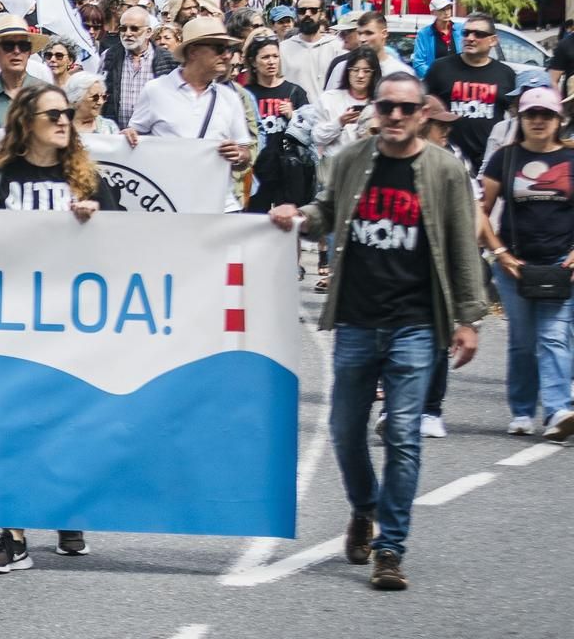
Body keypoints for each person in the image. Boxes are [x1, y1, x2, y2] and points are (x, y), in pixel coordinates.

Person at [267, 72, 484, 592]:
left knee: (404, 436)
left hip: (415, 324)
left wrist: (468, 318)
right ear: (376, 110)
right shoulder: (351, 159)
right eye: (386, 107)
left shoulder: (443, 171)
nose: (394, 116)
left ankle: (391, 547)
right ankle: (364, 507)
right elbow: (326, 211)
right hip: (357, 320)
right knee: (344, 430)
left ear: (422, 115)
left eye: (405, 109)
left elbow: (460, 241)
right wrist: (297, 217)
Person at [0, 84, 112, 574]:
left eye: (67, 113)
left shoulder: (86, 177)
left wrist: (98, 220)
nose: (64, 120)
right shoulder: (1, 177)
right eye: (52, 114)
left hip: (72, 324)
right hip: (14, 322)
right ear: (25, 122)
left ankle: (64, 510)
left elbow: (128, 246)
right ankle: (12, 537)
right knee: (9, 424)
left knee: (63, 422)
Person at [479, 88, 574, 442]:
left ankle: (558, 410)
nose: (538, 121)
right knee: (522, 341)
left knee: (553, 337)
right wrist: (500, 253)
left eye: (546, 115)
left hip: (560, 264)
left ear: (558, 121)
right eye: (531, 114)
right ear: (520, 119)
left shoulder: (571, 158)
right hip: (513, 265)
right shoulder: (505, 158)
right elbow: (480, 211)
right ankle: (521, 411)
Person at [125, 18, 254, 212]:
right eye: (219, 49)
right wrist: (127, 136)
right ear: (193, 51)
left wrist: (238, 155)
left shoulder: (230, 97)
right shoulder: (156, 90)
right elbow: (133, 139)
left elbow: (245, 154)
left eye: (228, 49)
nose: (228, 56)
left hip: (219, 206)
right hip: (169, 205)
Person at [423, 11, 516, 173]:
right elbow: (422, 108)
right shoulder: (440, 68)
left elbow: (514, 117)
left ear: (493, 40)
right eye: (466, 33)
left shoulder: (505, 74)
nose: (470, 38)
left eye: (478, 34)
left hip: (489, 162)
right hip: (445, 158)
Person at [243, 35, 312, 214]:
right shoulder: (245, 94)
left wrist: (293, 115)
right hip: (257, 173)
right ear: (253, 61)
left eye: (275, 56)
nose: (271, 62)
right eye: (265, 57)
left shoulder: (295, 92)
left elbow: (310, 134)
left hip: (288, 174)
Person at [99, 7, 177, 127]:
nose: (128, 33)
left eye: (134, 29)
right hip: (115, 135)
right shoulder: (108, 56)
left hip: (151, 137)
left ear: (148, 32)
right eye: (123, 28)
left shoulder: (167, 60)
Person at [311, 47, 382, 159]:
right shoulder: (329, 99)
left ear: (374, 74)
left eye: (366, 71)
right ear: (348, 71)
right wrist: (340, 122)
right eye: (355, 70)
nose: (360, 75)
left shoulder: (381, 103)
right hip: (335, 166)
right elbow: (317, 137)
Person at [279, 0, 338, 99]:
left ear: (322, 14)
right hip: (294, 112)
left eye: (313, 10)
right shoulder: (283, 48)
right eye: (302, 11)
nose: (307, 14)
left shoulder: (336, 46)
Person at [410, 0, 463, 78]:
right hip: (436, 82)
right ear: (433, 12)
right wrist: (437, 77)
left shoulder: (461, 29)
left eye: (449, 8)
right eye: (442, 9)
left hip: (459, 80)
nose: (447, 12)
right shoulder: (424, 34)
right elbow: (418, 64)